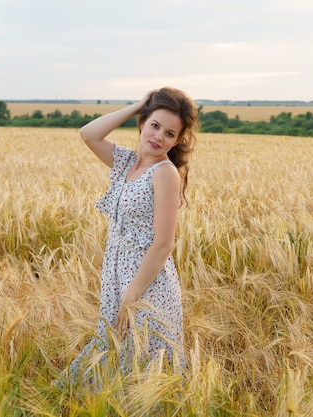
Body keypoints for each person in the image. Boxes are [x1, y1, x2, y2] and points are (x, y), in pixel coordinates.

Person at [55, 87, 199, 387]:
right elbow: (88, 134)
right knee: (114, 350)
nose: (159, 137)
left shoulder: (164, 173)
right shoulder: (125, 163)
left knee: (146, 363)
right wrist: (138, 105)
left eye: (170, 134)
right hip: (116, 274)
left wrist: (132, 295)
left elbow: (163, 243)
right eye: (155, 125)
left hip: (147, 283)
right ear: (142, 122)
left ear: (178, 140)